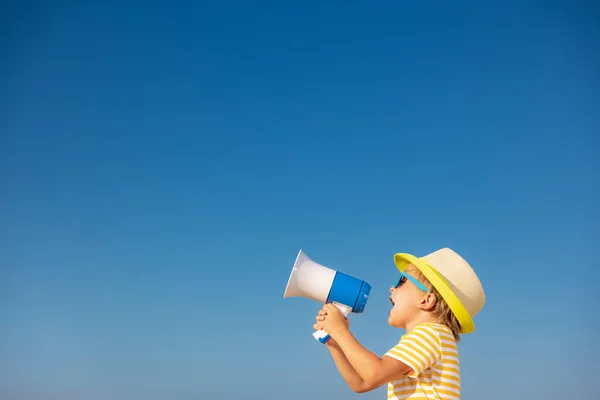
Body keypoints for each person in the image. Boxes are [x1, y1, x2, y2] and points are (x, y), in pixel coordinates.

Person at [314, 247, 485, 399]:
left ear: (427, 300)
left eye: (401, 281)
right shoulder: (430, 339)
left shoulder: (431, 334)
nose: (391, 287)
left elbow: (374, 374)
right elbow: (360, 383)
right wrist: (334, 343)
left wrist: (340, 331)